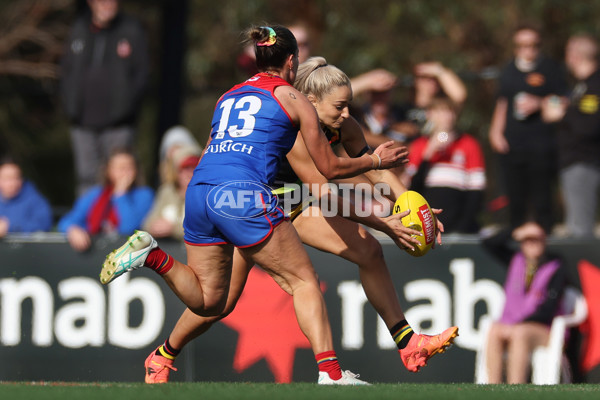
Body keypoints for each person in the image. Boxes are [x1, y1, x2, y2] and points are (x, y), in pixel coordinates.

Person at [99, 25, 410, 385]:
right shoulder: (293, 98)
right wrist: (375, 162)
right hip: (244, 195)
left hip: (201, 191)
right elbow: (330, 168)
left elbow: (211, 151)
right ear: (291, 61)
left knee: (209, 302)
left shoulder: (227, 96)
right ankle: (332, 375)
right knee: (304, 280)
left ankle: (151, 255)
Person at [141, 56, 458, 384]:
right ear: (311, 101)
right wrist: (385, 222)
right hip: (264, 204)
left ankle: (408, 344)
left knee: (367, 253)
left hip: (291, 201)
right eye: (339, 106)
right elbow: (326, 194)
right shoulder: (293, 132)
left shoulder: (344, 125)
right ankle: (166, 354)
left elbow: (374, 171)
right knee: (221, 302)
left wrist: (411, 208)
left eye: (349, 104)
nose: (347, 113)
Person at [59, 0, 149, 196]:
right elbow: (66, 71)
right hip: (82, 122)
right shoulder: (79, 28)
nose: (106, 4)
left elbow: (142, 75)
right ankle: (87, 224)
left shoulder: (131, 30)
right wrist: (70, 106)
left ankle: (116, 225)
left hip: (118, 123)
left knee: (120, 177)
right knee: (86, 178)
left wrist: (126, 107)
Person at [488, 23, 567, 233]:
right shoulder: (508, 70)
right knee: (515, 200)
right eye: (522, 45)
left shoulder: (551, 69)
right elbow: (502, 103)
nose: (528, 50)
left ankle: (545, 247)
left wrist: (540, 103)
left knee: (542, 200)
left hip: (541, 145)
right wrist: (496, 132)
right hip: (513, 146)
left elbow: (564, 103)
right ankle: (516, 248)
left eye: (533, 45)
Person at [482, 222, 567, 383]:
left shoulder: (555, 266)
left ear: (544, 241)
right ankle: (492, 386)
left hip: (543, 329)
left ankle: (516, 387)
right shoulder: (516, 260)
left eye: (537, 239)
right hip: (514, 324)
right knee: (494, 330)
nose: (532, 243)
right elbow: (488, 244)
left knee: (519, 333)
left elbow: (548, 309)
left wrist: (518, 325)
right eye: (528, 239)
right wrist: (514, 231)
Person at [541, 34, 600, 238]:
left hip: (582, 163)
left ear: (575, 56)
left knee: (580, 229)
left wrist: (563, 114)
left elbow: (589, 125)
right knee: (575, 224)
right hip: (573, 163)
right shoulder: (580, 87)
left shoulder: (594, 86)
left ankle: (584, 269)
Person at [403, 97, 486, 233]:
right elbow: (413, 188)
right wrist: (428, 153)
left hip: (457, 220)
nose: (445, 117)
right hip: (426, 221)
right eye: (439, 112)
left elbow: (476, 191)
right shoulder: (419, 145)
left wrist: (463, 227)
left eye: (449, 112)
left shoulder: (468, 144)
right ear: (429, 115)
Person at [58, 149, 154, 252]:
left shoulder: (144, 195)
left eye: (129, 167)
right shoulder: (96, 194)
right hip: (93, 252)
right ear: (108, 171)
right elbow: (67, 221)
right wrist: (73, 229)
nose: (125, 172)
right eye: (120, 168)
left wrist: (121, 195)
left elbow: (128, 229)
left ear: (136, 170)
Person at [357, 61, 467, 148]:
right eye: (424, 78)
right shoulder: (402, 109)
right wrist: (367, 80)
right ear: (415, 80)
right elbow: (341, 96)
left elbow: (460, 96)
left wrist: (439, 70)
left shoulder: (440, 109)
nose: (430, 83)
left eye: (434, 79)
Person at [142, 145, 201, 240]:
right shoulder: (167, 191)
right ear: (176, 171)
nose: (189, 173)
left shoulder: (204, 195)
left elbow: (201, 229)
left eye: (193, 167)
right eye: (185, 168)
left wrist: (173, 229)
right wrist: (155, 227)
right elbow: (147, 223)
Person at [0, 157, 53, 237]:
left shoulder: (35, 199)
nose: (12, 183)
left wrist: (9, 226)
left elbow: (44, 224)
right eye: (7, 178)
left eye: (16, 178)